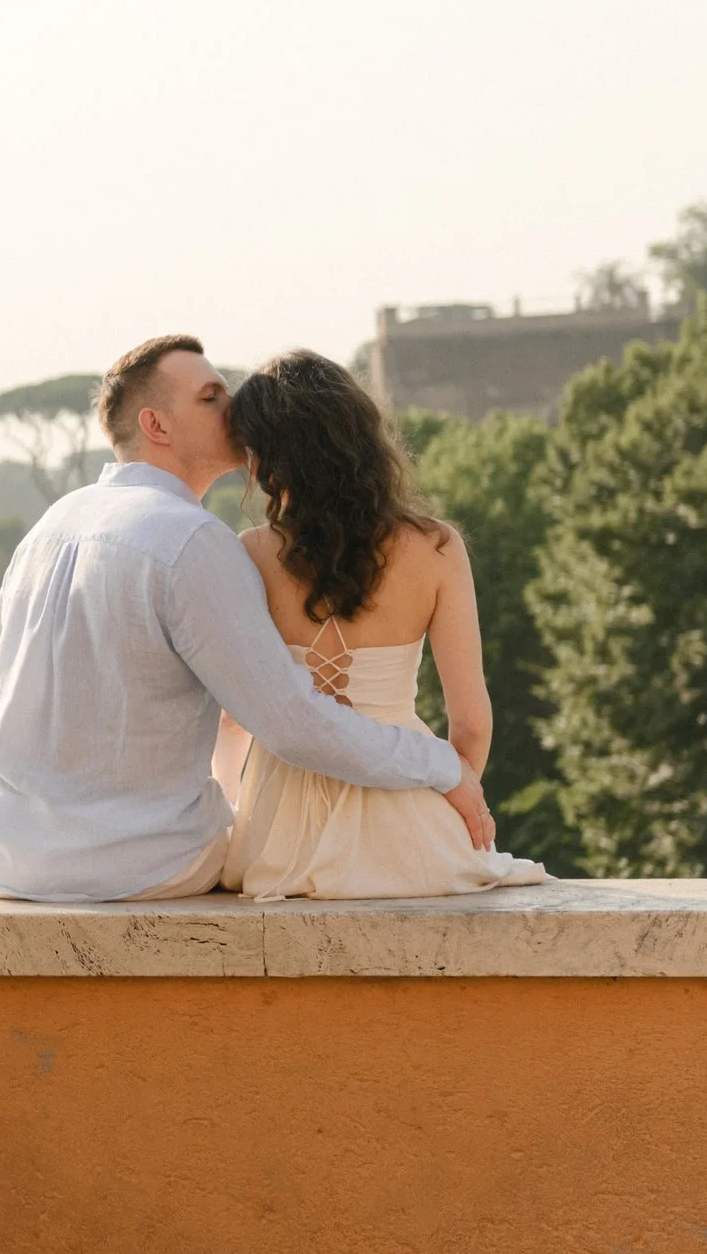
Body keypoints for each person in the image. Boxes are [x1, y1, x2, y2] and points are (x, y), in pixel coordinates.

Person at [0, 334, 491, 902]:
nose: (232, 409)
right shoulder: (193, 540)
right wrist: (444, 766)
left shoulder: (50, 526)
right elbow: (292, 724)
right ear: (157, 426)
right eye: (211, 398)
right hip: (133, 865)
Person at [217, 350, 547, 900]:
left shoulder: (248, 553)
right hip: (410, 804)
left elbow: (232, 720)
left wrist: (238, 813)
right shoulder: (438, 549)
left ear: (265, 461)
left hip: (282, 822)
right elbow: (471, 720)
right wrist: (459, 793)